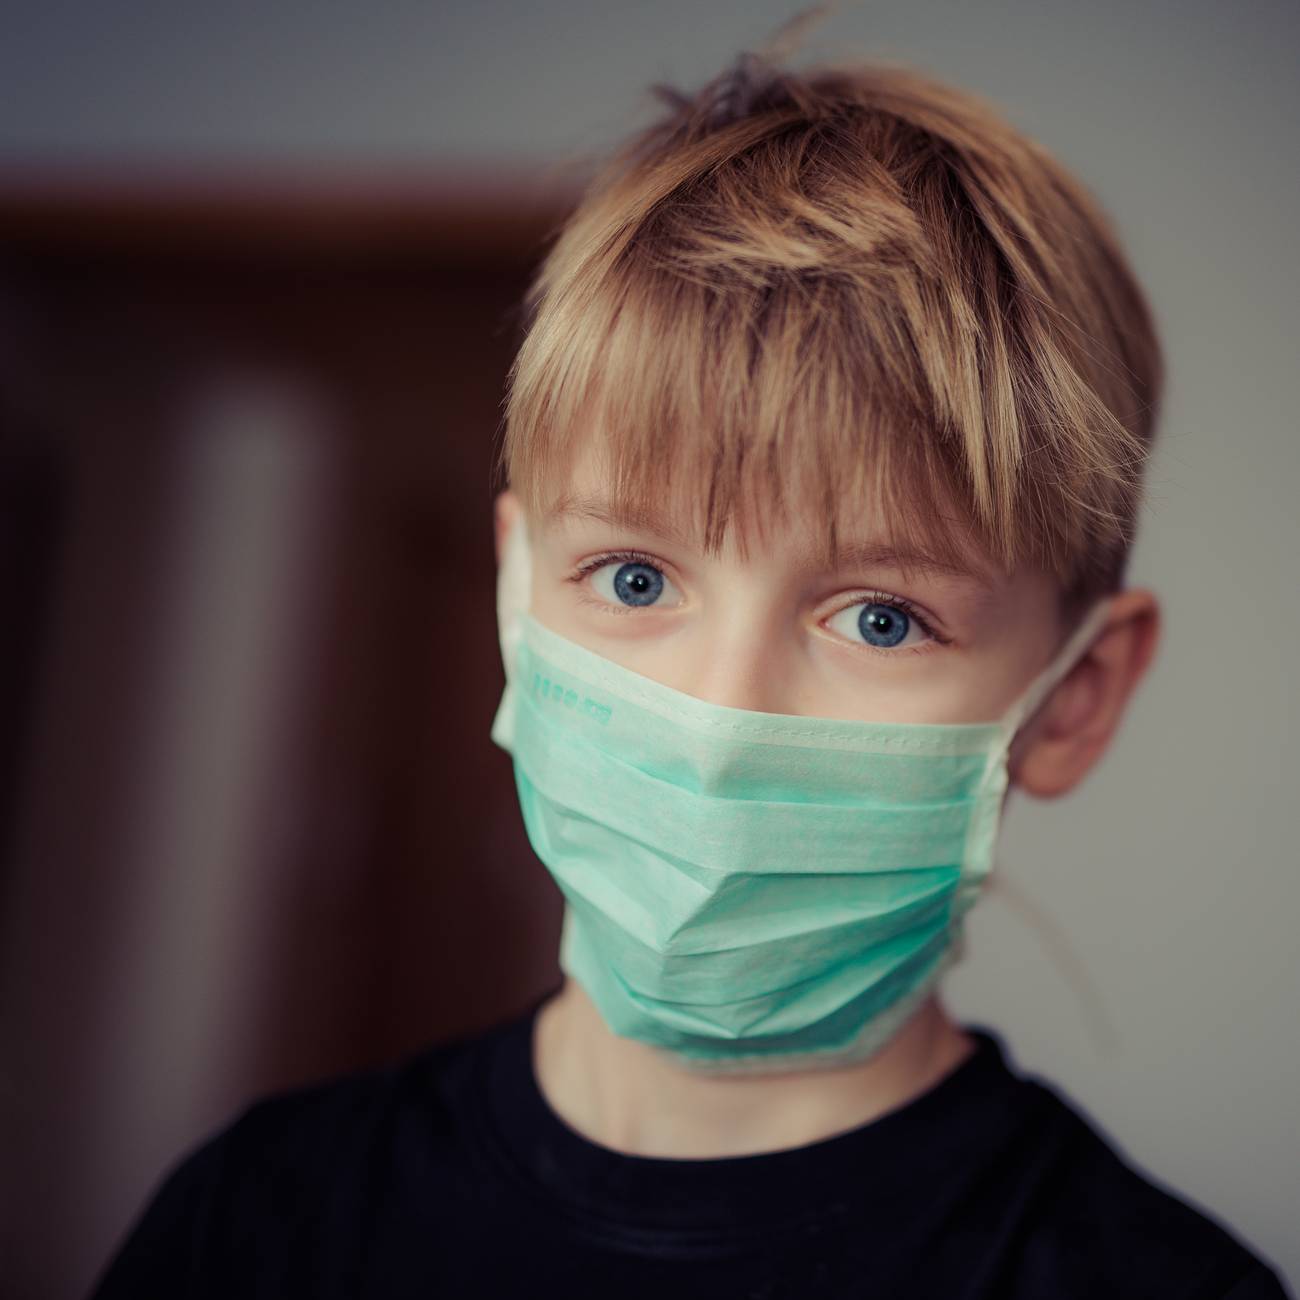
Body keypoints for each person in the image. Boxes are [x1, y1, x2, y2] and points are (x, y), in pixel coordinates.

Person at [91, 38, 1289, 1300]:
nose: (718, 718)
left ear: (1075, 699)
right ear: (514, 594)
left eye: (881, 618)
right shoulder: (256, 1222)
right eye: (634, 578)